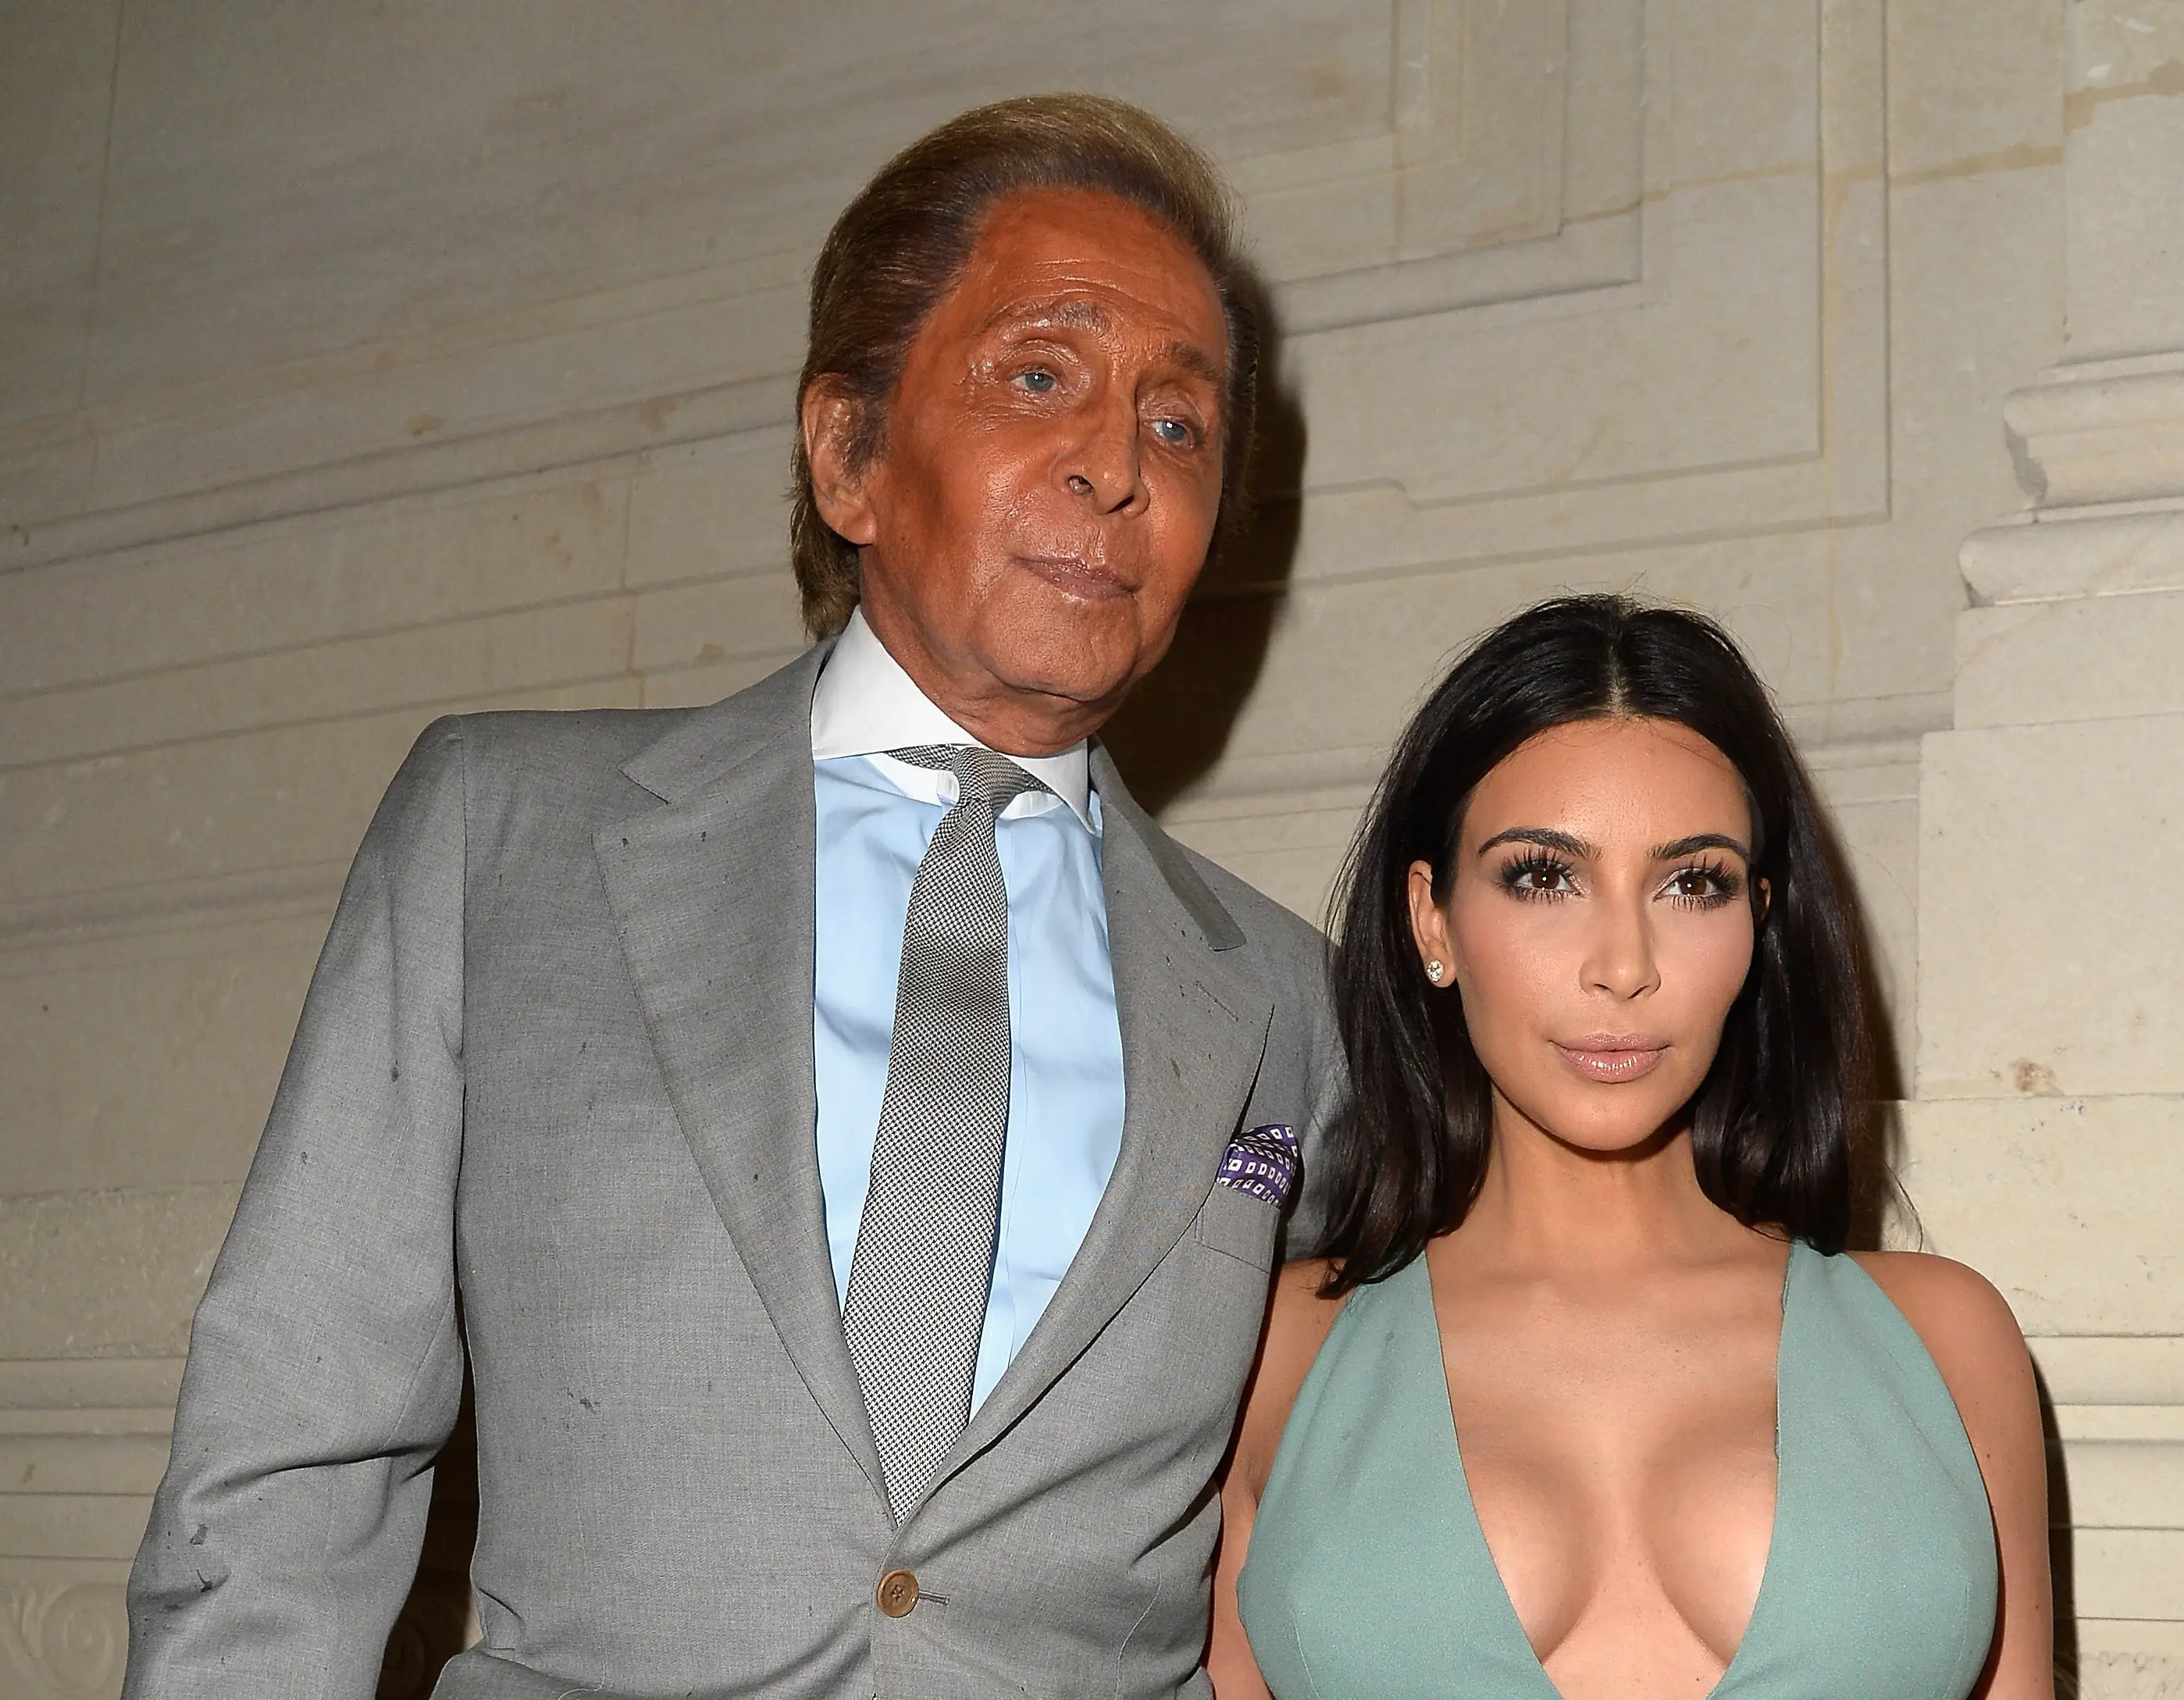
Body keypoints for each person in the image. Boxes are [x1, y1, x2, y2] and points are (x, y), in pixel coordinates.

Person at [124, 95, 1339, 1700]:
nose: (1116, 465)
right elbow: (292, 1451)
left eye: (1177, 425)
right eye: (1039, 375)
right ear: (848, 450)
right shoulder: (500, 834)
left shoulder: (1296, 1000)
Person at [1210, 596, 2052, 1700]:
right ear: (1431, 922)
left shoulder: (1946, 1341)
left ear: (1757, 922)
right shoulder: (1271, 1349)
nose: (1623, 963)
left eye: (1690, 883)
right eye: (1542, 876)